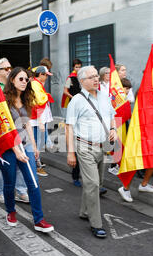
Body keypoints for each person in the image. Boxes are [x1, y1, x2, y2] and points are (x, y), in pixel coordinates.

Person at [0, 67, 54, 233]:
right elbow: (4, 128)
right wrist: (17, 151)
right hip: (8, 148)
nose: (24, 82)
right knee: (9, 183)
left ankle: (39, 220)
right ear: (12, 80)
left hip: (25, 146)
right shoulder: (3, 100)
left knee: (33, 183)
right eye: (21, 79)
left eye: (26, 79)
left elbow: (27, 123)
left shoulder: (26, 99)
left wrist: (34, 146)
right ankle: (11, 212)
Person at [66, 66, 118, 238]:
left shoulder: (104, 96)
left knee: (96, 183)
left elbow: (112, 116)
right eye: (91, 77)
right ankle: (96, 224)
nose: (96, 79)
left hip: (102, 146)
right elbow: (69, 128)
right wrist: (70, 152)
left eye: (97, 76)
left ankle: (84, 211)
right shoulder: (76, 101)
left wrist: (113, 129)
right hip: (84, 146)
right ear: (82, 81)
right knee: (93, 184)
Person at [0, 58, 29, 203]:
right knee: (1, 163)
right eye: (5, 68)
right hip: (0, 133)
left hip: (18, 131)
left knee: (21, 160)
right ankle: (1, 191)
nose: (9, 70)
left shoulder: (16, 85)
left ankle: (21, 191)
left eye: (10, 68)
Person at [30, 65, 54, 177]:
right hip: (36, 119)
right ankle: (36, 165)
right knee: (37, 142)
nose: (47, 77)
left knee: (38, 142)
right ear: (41, 75)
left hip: (38, 119)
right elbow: (38, 103)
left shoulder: (36, 83)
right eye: (46, 75)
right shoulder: (35, 84)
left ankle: (36, 163)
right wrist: (40, 121)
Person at [63, 58, 83, 187]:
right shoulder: (70, 78)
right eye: (76, 67)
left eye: (80, 66)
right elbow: (65, 91)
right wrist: (74, 97)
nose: (78, 69)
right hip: (74, 107)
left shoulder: (84, 77)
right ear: (73, 67)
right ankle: (75, 177)